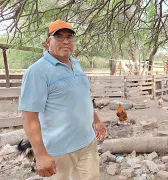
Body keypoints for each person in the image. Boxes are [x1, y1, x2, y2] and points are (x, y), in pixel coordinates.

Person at [18, 20, 106, 180]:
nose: (66, 41)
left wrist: (97, 121)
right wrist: (41, 154)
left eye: (70, 37)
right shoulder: (37, 72)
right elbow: (28, 116)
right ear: (48, 41)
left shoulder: (77, 64)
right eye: (59, 36)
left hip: (87, 142)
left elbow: (83, 98)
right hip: (59, 150)